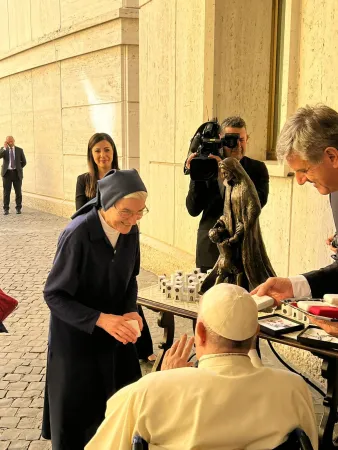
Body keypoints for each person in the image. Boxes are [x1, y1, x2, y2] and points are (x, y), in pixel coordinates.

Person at [86, 284, 318, 450]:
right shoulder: (293, 389)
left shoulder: (147, 393)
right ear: (255, 335)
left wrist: (164, 382)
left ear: (200, 332)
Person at [42, 169, 149, 450]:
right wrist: (100, 319)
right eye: (127, 212)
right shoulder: (77, 234)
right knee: (79, 426)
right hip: (76, 341)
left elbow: (131, 279)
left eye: (140, 213)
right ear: (108, 202)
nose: (133, 220)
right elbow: (54, 295)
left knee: (120, 418)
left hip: (114, 337)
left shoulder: (131, 230)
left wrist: (129, 311)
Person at [251, 104, 338, 336]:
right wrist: (293, 286)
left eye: (305, 170)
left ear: (332, 156)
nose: (300, 181)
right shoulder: (333, 190)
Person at [75, 132, 156, 363]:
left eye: (107, 149)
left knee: (127, 294)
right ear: (92, 154)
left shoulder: (126, 180)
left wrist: (126, 220)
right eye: (98, 150)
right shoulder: (85, 180)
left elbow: (133, 276)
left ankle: (141, 347)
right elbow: (80, 211)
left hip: (120, 242)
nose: (103, 154)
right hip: (96, 244)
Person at [185, 116, 269, 272]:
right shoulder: (207, 166)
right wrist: (196, 175)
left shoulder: (257, 169)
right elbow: (193, 209)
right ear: (219, 140)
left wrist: (228, 175)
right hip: (210, 248)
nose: (237, 145)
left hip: (244, 249)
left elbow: (256, 204)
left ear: (247, 139)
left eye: (241, 140)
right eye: (230, 140)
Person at [0, 136, 26, 215]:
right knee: (6, 193)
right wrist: (4, 148)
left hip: (16, 174)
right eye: (8, 142)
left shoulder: (19, 150)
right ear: (6, 142)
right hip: (6, 174)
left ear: (14, 141)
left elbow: (24, 162)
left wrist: (18, 168)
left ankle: (18, 208)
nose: (10, 143)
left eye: (11, 141)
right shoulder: (4, 150)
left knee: (18, 192)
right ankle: (6, 209)